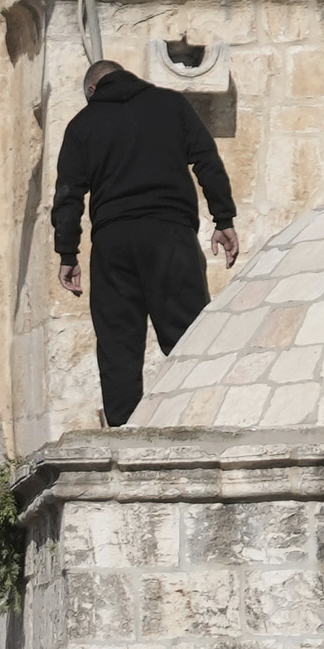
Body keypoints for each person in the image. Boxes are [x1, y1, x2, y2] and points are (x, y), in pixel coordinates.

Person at [45, 57, 245, 430]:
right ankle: (198, 419)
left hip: (113, 242)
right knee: (188, 334)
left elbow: (68, 194)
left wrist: (67, 253)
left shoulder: (83, 125)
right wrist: (224, 219)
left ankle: (122, 430)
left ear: (92, 90)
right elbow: (206, 160)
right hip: (170, 234)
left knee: (118, 341)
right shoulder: (170, 104)